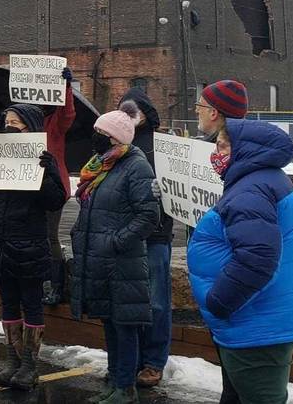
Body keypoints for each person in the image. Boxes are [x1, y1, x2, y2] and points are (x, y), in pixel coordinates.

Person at [189, 120, 293, 404]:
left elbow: (257, 258)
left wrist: (219, 303)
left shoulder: (251, 191)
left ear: (243, 150)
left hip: (256, 326)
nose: (216, 153)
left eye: (222, 146)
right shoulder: (261, 181)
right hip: (257, 320)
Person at [0, 104, 68, 390]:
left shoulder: (46, 159)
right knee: (7, 301)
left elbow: (56, 200)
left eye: (16, 123)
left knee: (31, 302)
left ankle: (30, 366)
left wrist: (45, 174)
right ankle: (13, 360)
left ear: (30, 128)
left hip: (28, 242)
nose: (9, 126)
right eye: (6, 121)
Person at [70, 110, 159, 404]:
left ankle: (125, 387)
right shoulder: (100, 166)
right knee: (109, 322)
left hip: (123, 261)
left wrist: (116, 241)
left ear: (113, 138)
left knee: (124, 326)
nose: (93, 135)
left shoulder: (135, 166)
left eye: (99, 131)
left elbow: (148, 215)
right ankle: (115, 381)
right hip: (100, 259)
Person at [119, 89, 172, 389]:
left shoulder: (162, 146)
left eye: (133, 111)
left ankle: (153, 361)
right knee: (127, 302)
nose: (128, 116)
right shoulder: (115, 145)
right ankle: (130, 360)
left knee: (156, 303)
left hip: (155, 236)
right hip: (124, 235)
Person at [39, 69, 77, 305]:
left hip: (53, 185)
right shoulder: (26, 120)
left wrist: (66, 87)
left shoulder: (54, 122)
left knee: (48, 235)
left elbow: (67, 114)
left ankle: (56, 286)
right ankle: (41, 282)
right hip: (29, 185)